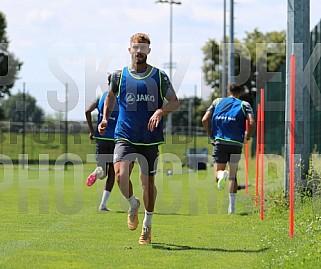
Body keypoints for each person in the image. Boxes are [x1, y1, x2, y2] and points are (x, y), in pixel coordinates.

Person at [98, 33, 179, 244]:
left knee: (147, 184)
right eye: (136, 47)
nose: (139, 51)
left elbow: (174, 101)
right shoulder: (119, 76)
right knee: (120, 176)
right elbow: (110, 96)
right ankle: (132, 204)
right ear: (129, 50)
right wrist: (105, 118)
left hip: (150, 138)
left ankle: (147, 226)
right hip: (125, 135)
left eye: (143, 48)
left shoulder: (159, 77)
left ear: (149, 51)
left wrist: (160, 112)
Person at [202, 83, 255, 214]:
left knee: (217, 174)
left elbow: (204, 119)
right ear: (240, 92)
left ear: (228, 91)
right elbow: (252, 122)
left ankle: (221, 174)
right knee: (233, 176)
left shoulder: (217, 101)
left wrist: (210, 134)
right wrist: (248, 136)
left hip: (220, 142)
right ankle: (231, 208)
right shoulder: (244, 104)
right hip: (236, 143)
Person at [85, 73, 118, 212]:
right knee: (112, 173)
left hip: (101, 138)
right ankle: (103, 205)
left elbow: (87, 111)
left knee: (103, 172)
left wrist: (93, 131)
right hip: (117, 140)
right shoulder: (123, 98)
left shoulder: (101, 96)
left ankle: (97, 171)